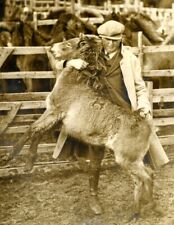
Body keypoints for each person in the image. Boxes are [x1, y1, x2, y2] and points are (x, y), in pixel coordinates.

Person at [49, 20, 169, 215]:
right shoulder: (91, 51)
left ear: (120, 39)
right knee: (94, 159)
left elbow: (139, 87)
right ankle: (93, 196)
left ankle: (147, 199)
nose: (109, 44)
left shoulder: (129, 59)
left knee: (137, 159)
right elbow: (57, 57)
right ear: (100, 38)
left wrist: (145, 107)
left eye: (114, 40)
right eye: (105, 39)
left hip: (124, 116)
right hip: (96, 115)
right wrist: (68, 62)